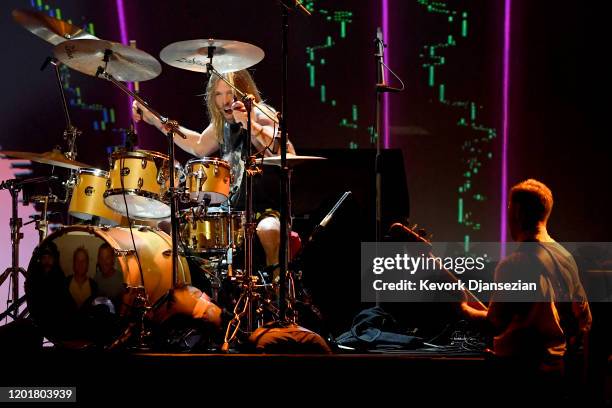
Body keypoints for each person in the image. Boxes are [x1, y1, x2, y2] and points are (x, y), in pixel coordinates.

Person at [133, 69, 296, 277]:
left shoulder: (261, 113)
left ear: (243, 91)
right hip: (233, 212)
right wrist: (154, 119)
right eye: (218, 94)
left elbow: (286, 152)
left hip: (265, 209)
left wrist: (250, 125)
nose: (225, 100)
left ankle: (278, 292)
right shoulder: (222, 123)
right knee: (172, 225)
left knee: (269, 230)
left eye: (229, 93)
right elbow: (198, 145)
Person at [460, 179, 592, 399]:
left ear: (518, 212)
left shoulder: (516, 263)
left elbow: (495, 323)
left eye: (510, 208)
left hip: (524, 381)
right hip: (558, 375)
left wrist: (461, 308)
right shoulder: (565, 256)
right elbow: (584, 320)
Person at [94, 243, 124, 309]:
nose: (104, 262)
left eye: (107, 258)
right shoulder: (96, 277)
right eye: (101, 258)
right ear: (98, 260)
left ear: (113, 259)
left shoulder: (121, 281)